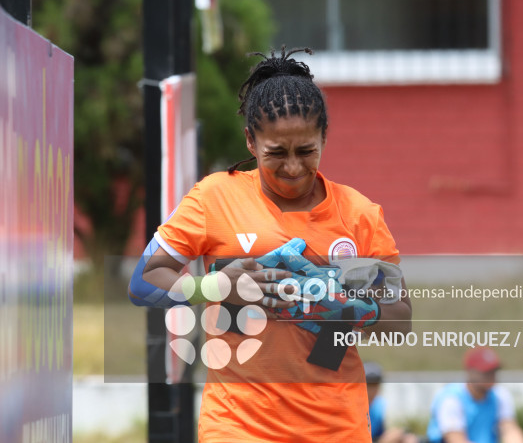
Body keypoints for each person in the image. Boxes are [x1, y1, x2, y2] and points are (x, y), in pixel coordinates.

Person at [128, 47, 412, 442]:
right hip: (237, 426)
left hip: (336, 428)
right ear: (250, 141)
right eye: (275, 153)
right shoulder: (215, 198)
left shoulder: (359, 215)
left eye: (306, 151)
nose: (293, 168)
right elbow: (143, 282)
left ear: (324, 137)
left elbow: (401, 320)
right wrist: (212, 287)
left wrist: (344, 306)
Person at [425, 347, 523, 443]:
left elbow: (510, 429)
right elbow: (455, 439)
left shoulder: (499, 395)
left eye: (493, 371)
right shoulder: (451, 399)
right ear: (470, 373)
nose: (491, 377)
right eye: (486, 372)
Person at [365, 362, 420, 443]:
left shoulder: (379, 405)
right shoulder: (352, 407)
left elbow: (383, 433)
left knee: (410, 439)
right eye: (369, 384)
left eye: (375, 384)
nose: (372, 390)